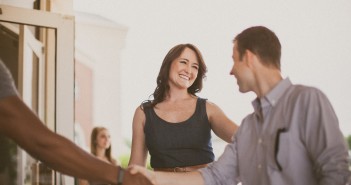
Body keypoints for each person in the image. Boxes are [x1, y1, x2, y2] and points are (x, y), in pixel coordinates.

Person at [129, 26, 351, 185]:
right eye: (183, 62)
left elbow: (336, 172)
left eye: (234, 60)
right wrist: (148, 176)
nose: (231, 70)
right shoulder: (250, 127)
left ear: (249, 58)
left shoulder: (307, 100)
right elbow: (216, 177)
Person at [0, 59, 152, 185]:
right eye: (103, 136)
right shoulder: (92, 161)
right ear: (95, 139)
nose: (107, 140)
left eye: (109, 136)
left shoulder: (113, 161)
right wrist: (121, 176)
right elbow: (39, 142)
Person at [128, 43, 238, 172]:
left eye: (195, 67)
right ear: (168, 64)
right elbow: (135, 168)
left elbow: (247, 139)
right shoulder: (143, 113)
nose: (189, 70)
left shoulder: (209, 109)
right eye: (183, 62)